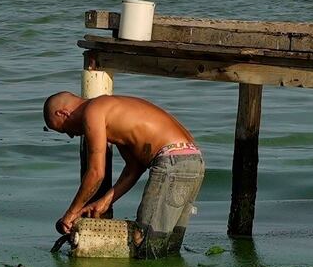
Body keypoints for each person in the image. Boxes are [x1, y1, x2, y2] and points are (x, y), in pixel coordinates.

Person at [44, 89, 198, 238]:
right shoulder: (114, 112)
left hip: (171, 160)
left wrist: (71, 214)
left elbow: (96, 173)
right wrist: (106, 201)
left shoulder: (93, 111)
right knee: (167, 242)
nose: (71, 135)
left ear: (63, 113)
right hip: (193, 159)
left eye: (64, 129)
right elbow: (134, 168)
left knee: (144, 239)